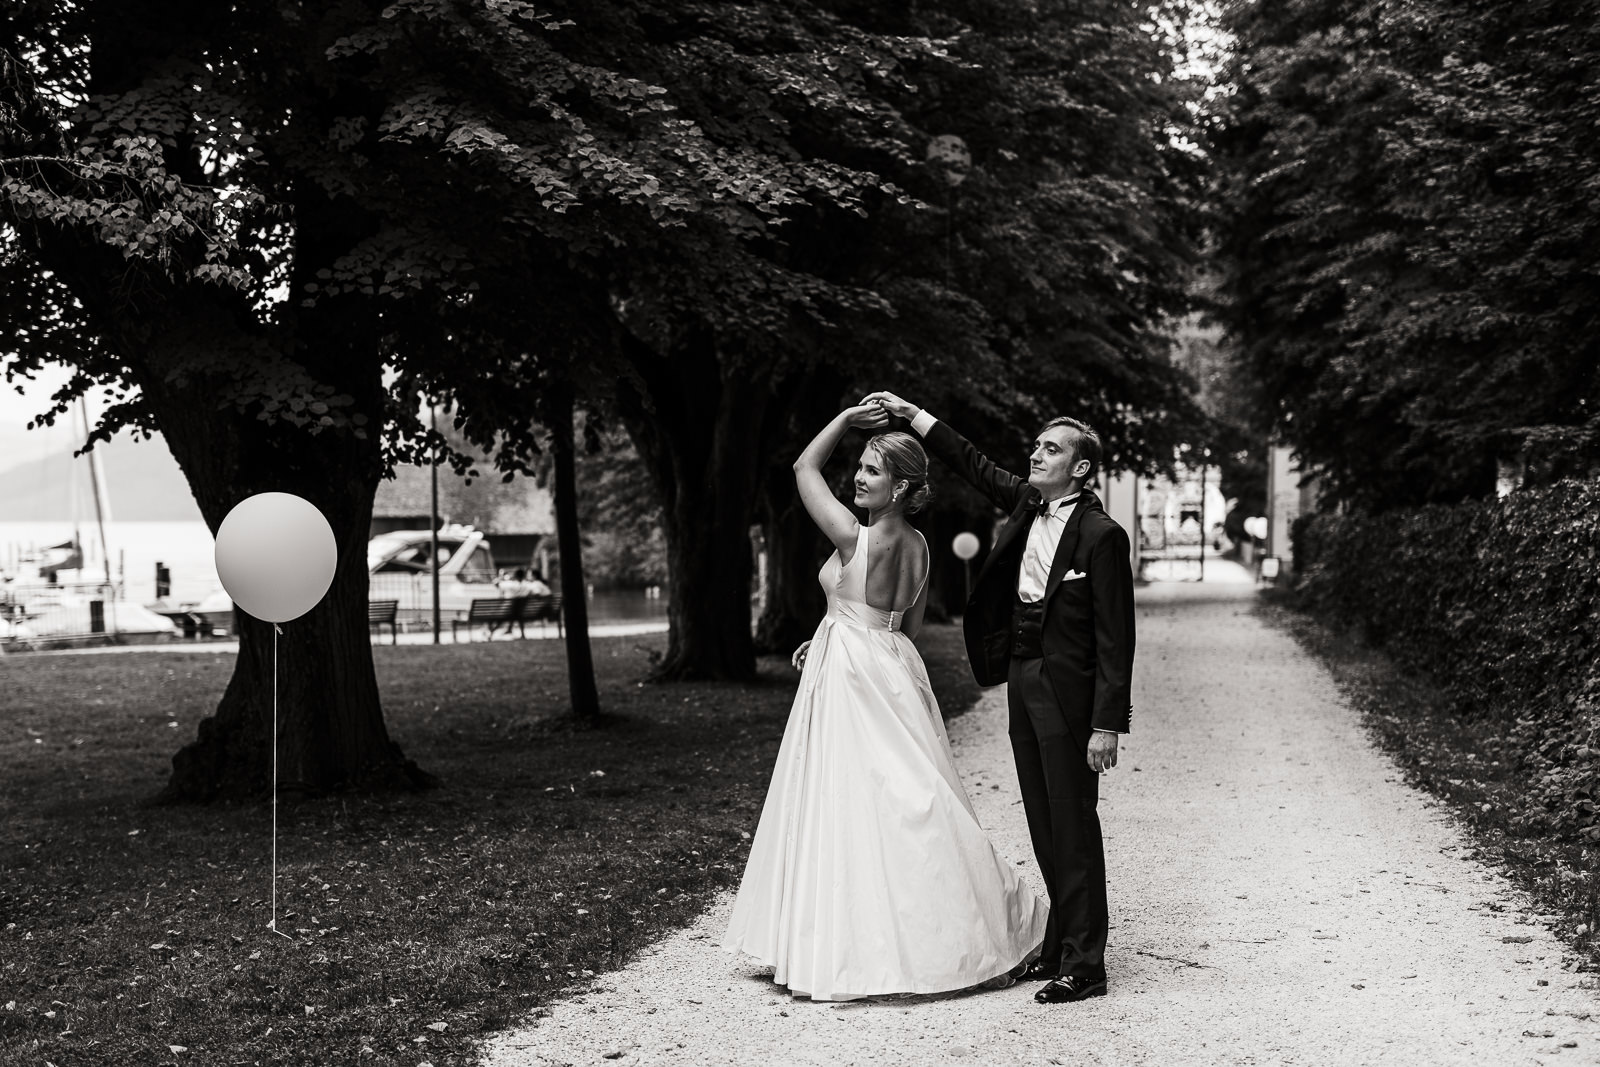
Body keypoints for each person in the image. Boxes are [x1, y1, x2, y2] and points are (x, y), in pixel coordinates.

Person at [722, 403, 1047, 1002]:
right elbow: (906, 624)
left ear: (899, 487)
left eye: (871, 471)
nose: (858, 477)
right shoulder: (922, 548)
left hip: (850, 673)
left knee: (850, 795)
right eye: (861, 468)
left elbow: (802, 467)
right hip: (894, 666)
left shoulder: (853, 536)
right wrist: (831, 629)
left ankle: (850, 941)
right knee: (910, 789)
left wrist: (845, 419)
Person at [859, 389, 1136, 1006]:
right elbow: (970, 460)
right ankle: (1062, 941)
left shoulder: (1102, 536)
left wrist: (1106, 725)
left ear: (1081, 467)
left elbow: (1118, 641)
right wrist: (911, 414)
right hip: (1022, 677)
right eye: (1037, 444)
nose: (1036, 453)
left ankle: (1087, 965)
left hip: (1069, 692)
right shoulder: (1027, 503)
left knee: (1073, 822)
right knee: (1042, 818)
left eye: (1051, 448)